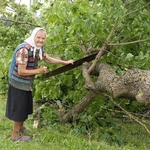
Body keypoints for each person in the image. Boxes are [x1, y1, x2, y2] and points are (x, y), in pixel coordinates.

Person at [5, 27, 74, 141]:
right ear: (33, 36)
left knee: (24, 106)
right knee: (19, 108)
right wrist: (39, 71)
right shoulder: (24, 50)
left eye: (43, 38)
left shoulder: (38, 48)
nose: (41, 40)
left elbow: (48, 59)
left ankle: (21, 127)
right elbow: (21, 71)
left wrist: (64, 62)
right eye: (38, 37)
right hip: (18, 82)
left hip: (27, 82)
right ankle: (15, 135)